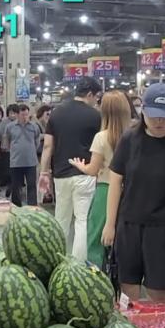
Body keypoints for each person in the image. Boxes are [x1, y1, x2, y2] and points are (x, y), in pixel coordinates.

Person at [102, 83, 165, 301]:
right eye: (154, 116)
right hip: (128, 224)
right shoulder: (129, 140)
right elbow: (115, 183)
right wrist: (110, 224)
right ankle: (129, 323)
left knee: (158, 289)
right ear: (143, 110)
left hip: (162, 228)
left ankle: (156, 324)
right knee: (128, 287)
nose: (159, 121)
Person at [39, 79, 102, 260]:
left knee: (61, 219)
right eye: (96, 97)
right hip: (85, 173)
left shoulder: (57, 113)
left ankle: (57, 260)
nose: (96, 101)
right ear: (89, 94)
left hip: (61, 174)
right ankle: (78, 265)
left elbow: (48, 146)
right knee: (82, 221)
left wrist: (44, 172)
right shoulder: (95, 116)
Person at [69, 91, 131, 268]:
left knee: (96, 238)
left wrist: (80, 166)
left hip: (105, 191)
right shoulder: (133, 136)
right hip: (130, 192)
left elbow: (93, 170)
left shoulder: (101, 137)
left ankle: (95, 276)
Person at [6, 104, 40, 206]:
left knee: (32, 185)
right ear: (17, 115)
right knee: (16, 186)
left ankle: (32, 207)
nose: (25, 117)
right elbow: (7, 142)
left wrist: (31, 150)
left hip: (31, 162)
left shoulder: (34, 126)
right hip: (16, 162)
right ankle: (16, 206)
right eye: (22, 115)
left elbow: (37, 141)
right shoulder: (10, 127)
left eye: (26, 115)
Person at [0, 104, 19, 195]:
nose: (13, 115)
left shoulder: (21, 123)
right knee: (7, 172)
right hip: (6, 152)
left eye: (14, 113)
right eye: (11, 113)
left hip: (18, 152)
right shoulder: (3, 124)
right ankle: (9, 188)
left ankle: (14, 188)